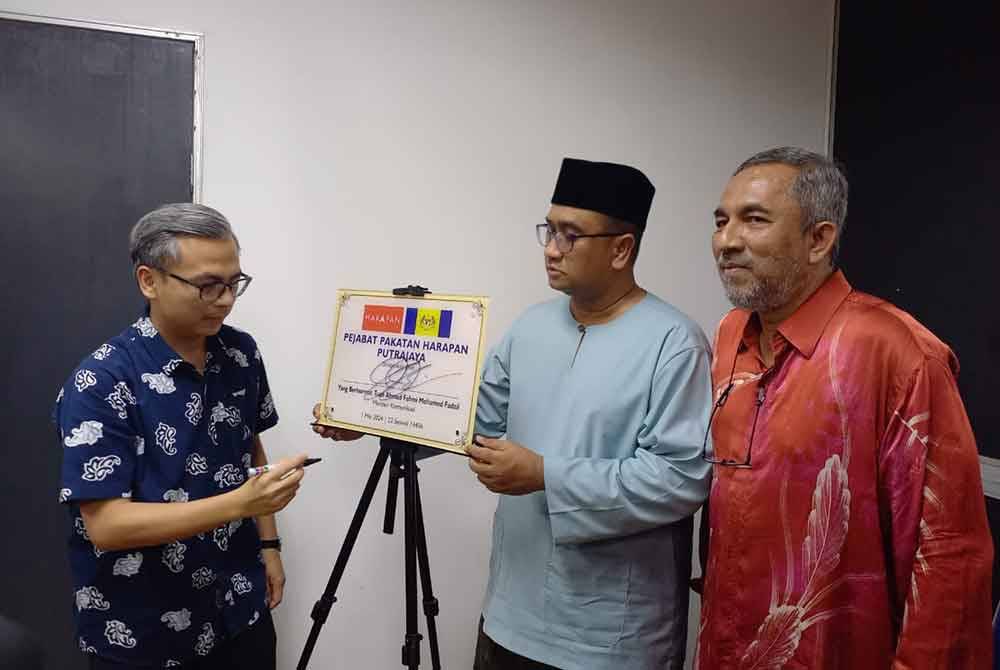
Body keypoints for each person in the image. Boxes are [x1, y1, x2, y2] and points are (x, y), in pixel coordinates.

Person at [696, 147, 993, 668]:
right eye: (722, 222)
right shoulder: (730, 335)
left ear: (819, 239)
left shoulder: (896, 353)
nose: (727, 241)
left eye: (754, 220)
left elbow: (948, 555)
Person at [467, 158, 712, 669]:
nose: (551, 249)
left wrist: (545, 474)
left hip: (609, 637)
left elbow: (680, 479)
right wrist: (372, 416)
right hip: (509, 613)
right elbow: (472, 420)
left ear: (621, 249)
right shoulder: (530, 327)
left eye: (571, 235)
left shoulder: (674, 344)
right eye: (549, 230)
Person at [54, 203, 308, 669]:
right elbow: (107, 525)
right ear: (149, 280)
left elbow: (249, 445)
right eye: (208, 286)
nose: (225, 300)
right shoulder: (102, 381)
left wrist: (269, 546)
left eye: (234, 283)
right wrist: (240, 504)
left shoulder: (241, 353)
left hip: (238, 606)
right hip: (142, 628)